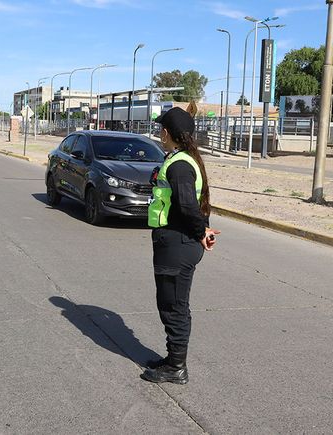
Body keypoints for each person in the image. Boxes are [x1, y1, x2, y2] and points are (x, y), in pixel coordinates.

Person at [140, 107, 220, 386]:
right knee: (170, 303)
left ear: (166, 133)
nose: (159, 133)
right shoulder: (182, 160)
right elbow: (194, 203)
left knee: (174, 306)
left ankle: (176, 366)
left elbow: (187, 205)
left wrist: (200, 232)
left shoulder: (180, 164)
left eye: (161, 129)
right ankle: (172, 357)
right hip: (176, 242)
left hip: (177, 244)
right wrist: (203, 230)